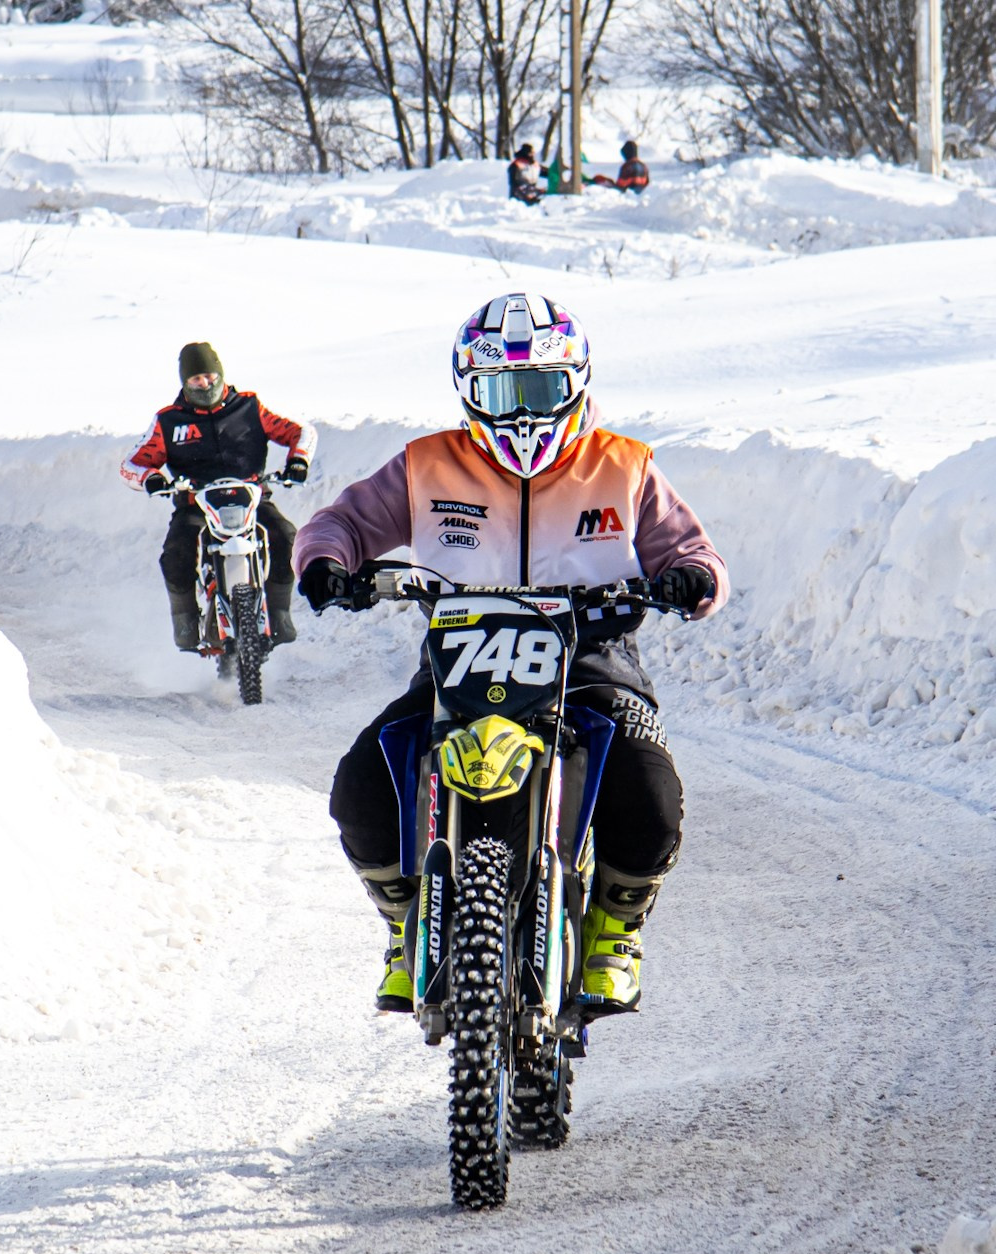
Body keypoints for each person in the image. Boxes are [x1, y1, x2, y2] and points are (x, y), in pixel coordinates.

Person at [294, 293, 725, 1016]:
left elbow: (690, 549)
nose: (521, 411)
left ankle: (616, 930)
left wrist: (690, 578)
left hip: (590, 657)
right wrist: (326, 561)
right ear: (469, 391)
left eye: (541, 389)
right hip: (460, 659)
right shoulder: (427, 466)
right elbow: (343, 521)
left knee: (650, 790)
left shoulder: (625, 466)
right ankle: (408, 927)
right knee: (363, 784)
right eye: (500, 391)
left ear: (577, 385)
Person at [121, 342, 316, 651]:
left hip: (250, 497)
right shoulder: (169, 421)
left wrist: (298, 461)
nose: (205, 383)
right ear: (185, 382)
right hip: (195, 501)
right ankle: (184, 619)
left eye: (210, 375)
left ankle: (278, 612)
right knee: (176, 554)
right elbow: (132, 463)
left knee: (288, 537)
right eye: (196, 379)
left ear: (221, 374)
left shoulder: (250, 407)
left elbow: (301, 432)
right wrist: (152, 478)